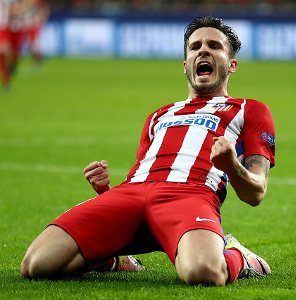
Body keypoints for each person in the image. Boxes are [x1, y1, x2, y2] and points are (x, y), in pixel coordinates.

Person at [21, 16, 275, 286]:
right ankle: (113, 259)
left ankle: (238, 256)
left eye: (214, 46)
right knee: (36, 265)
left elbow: (256, 192)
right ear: (185, 65)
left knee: (204, 273)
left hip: (191, 193)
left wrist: (233, 167)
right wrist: (106, 193)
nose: (203, 50)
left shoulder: (250, 109)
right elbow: (141, 181)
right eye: (195, 46)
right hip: (131, 193)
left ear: (231, 65)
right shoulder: (158, 115)